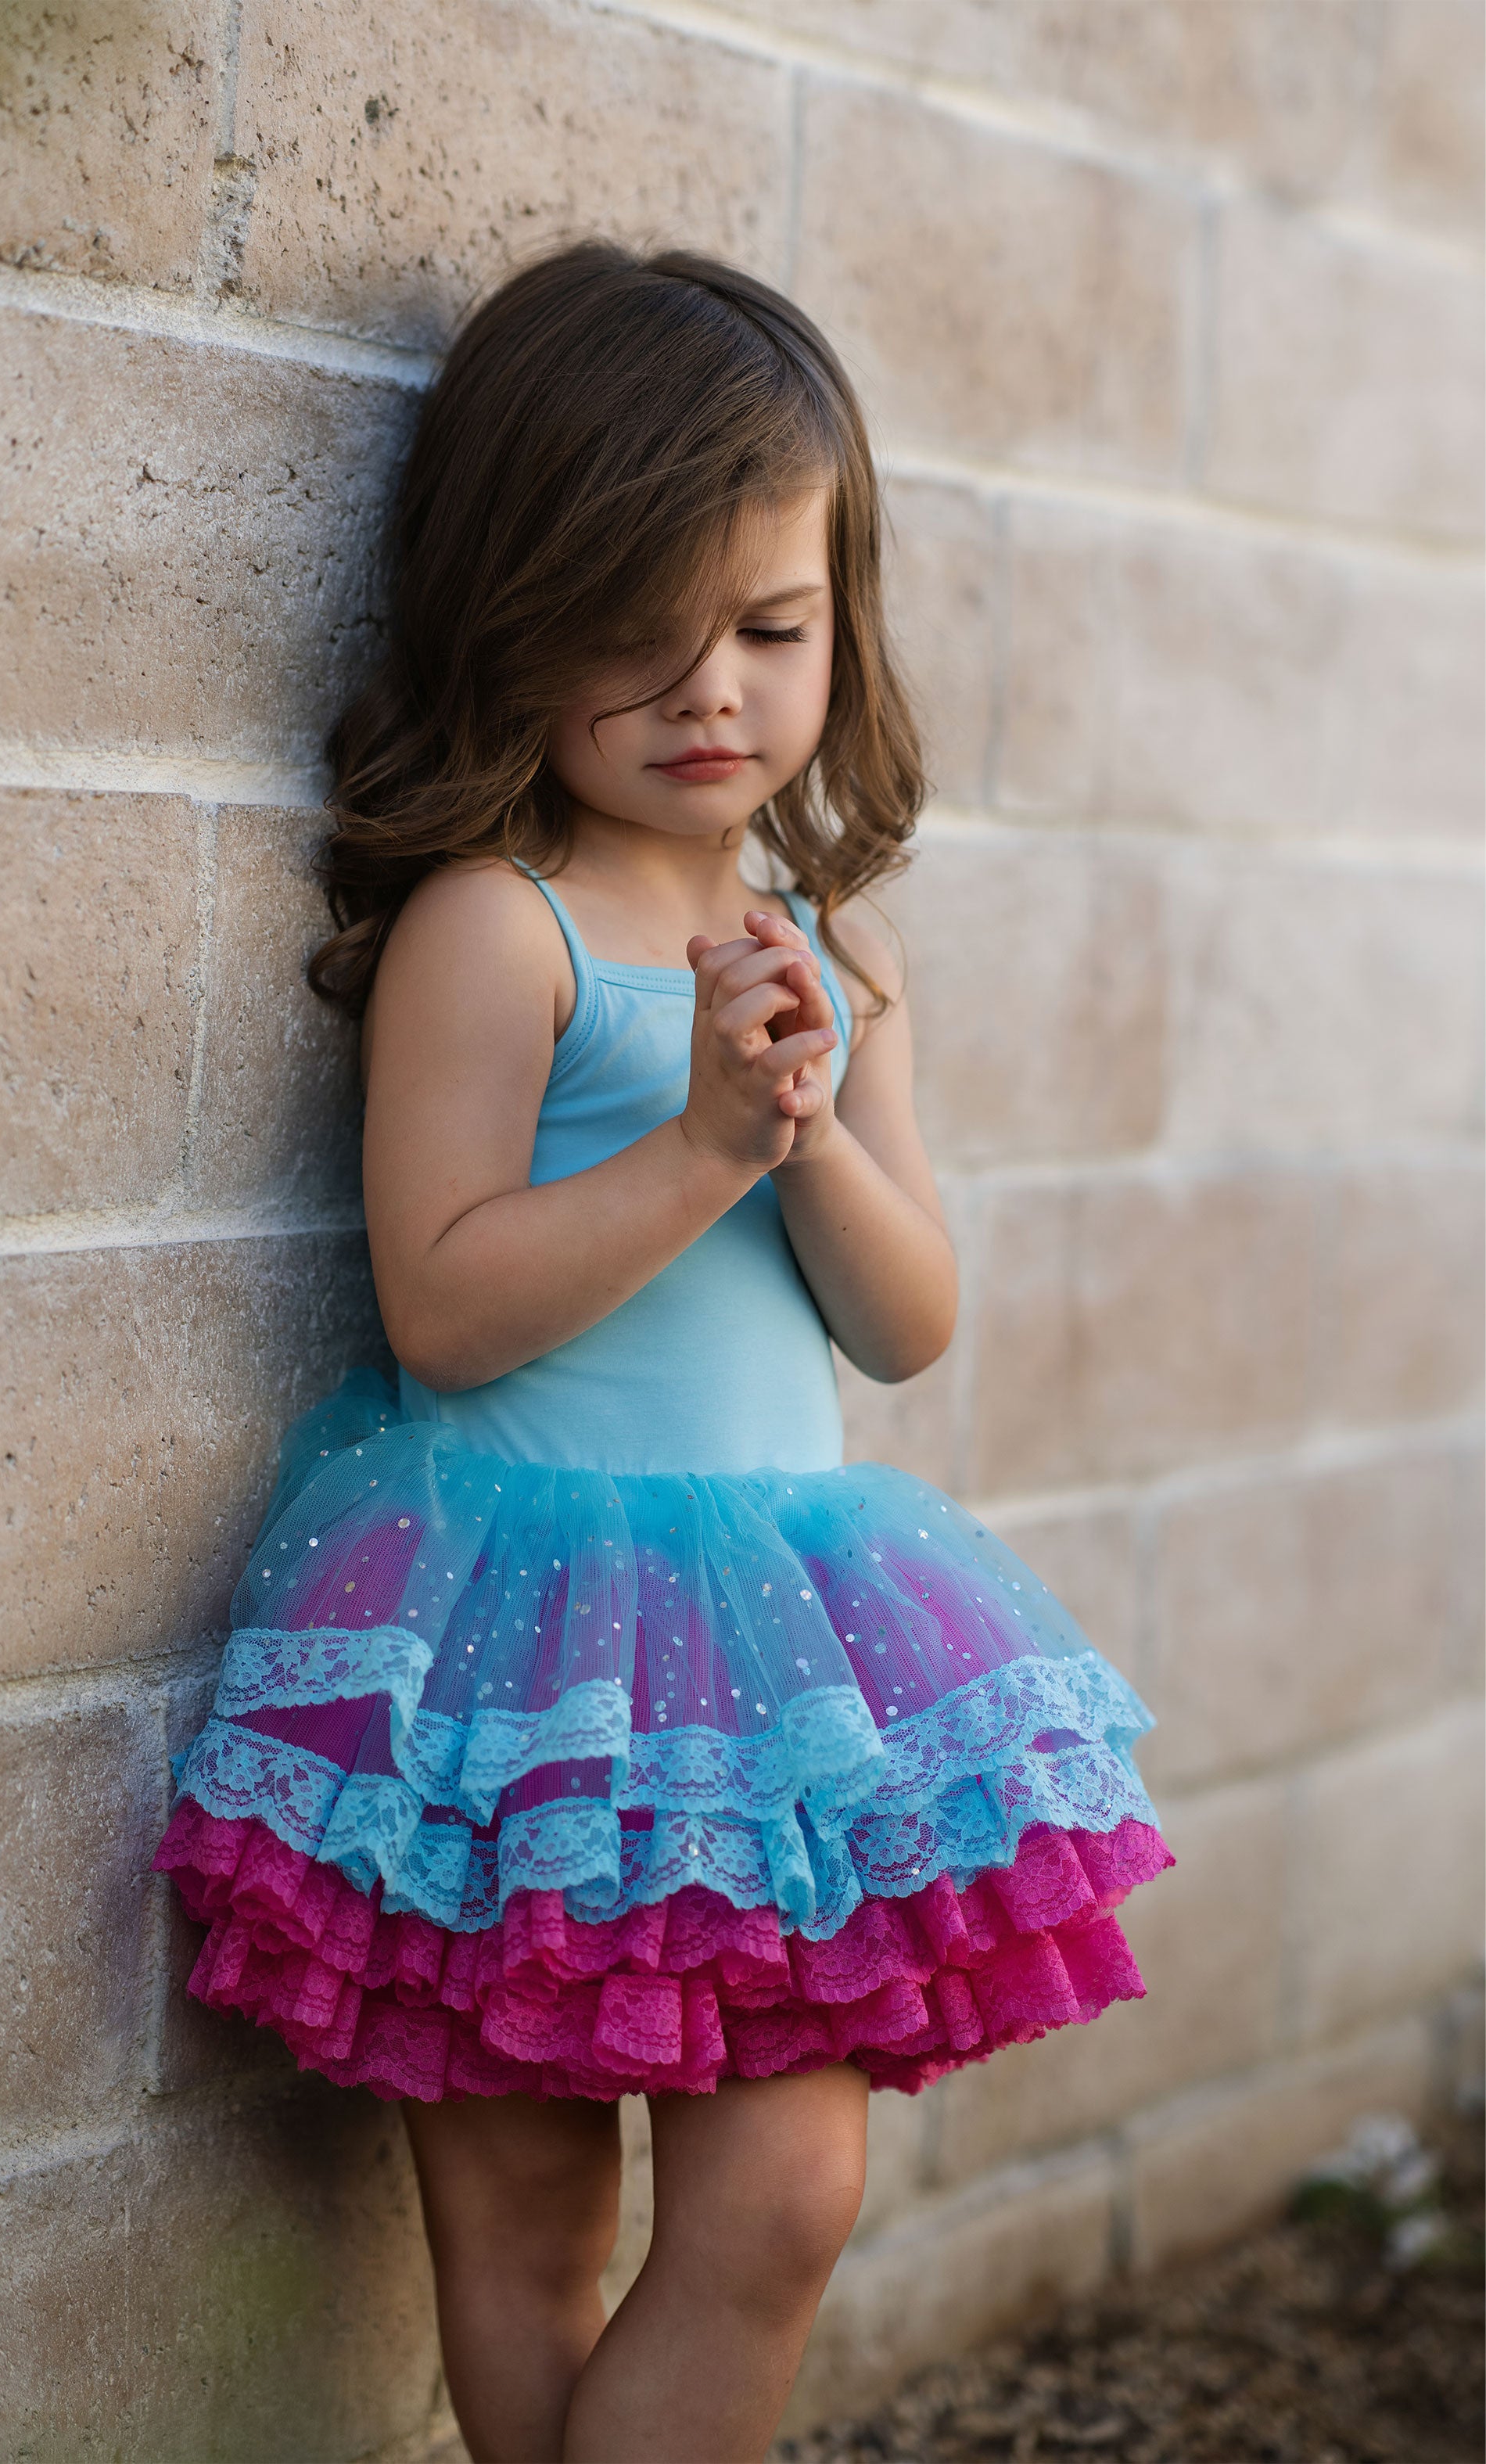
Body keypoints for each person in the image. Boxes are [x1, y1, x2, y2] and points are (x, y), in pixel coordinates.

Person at [154, 241, 1172, 2464]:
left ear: (843, 625)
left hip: (780, 1655)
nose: (709, 687)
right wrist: (709, 1139)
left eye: (771, 627)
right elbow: (442, 1300)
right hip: (502, 1642)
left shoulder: (831, 944)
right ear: (503, 612)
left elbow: (906, 1324)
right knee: (522, 2222)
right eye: (635, 626)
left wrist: (798, 1133)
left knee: (783, 2183)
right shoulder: (489, 926)